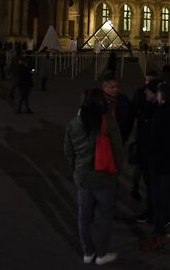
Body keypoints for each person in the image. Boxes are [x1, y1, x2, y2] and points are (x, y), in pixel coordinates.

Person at [64, 88, 123, 266]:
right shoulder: (108, 123)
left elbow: (68, 152)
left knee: (84, 215)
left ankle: (88, 252)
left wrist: (76, 170)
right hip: (104, 176)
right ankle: (102, 253)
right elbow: (118, 150)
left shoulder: (73, 124)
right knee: (105, 216)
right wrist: (116, 171)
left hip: (83, 177)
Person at [139, 82, 170, 252]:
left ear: (162, 96)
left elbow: (153, 139)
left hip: (158, 162)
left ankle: (158, 234)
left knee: (158, 198)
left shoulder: (158, 114)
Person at [131, 70, 159, 215]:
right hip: (143, 137)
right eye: (146, 80)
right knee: (141, 166)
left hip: (148, 142)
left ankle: (152, 209)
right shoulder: (142, 93)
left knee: (145, 170)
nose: (147, 84)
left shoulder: (156, 105)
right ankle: (135, 187)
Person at [102, 75, 134, 144]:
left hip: (121, 135)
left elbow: (130, 118)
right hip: (104, 138)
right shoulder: (99, 100)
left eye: (117, 86)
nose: (116, 89)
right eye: (112, 87)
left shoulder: (124, 99)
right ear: (104, 87)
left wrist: (125, 135)